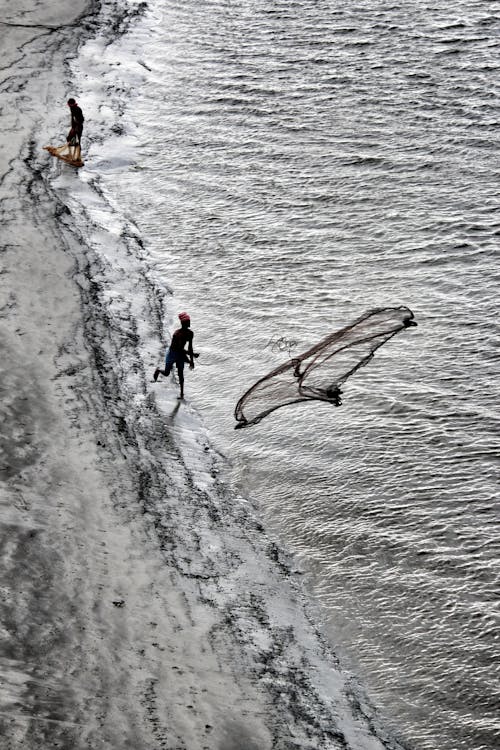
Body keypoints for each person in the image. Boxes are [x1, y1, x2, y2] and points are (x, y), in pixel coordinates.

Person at [153, 312, 196, 399]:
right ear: (183, 323)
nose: (189, 322)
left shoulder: (190, 333)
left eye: (189, 321)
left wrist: (192, 360)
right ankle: (158, 370)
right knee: (166, 373)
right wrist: (191, 357)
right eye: (188, 321)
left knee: (181, 374)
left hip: (180, 354)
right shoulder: (177, 334)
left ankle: (181, 394)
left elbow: (190, 347)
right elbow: (179, 349)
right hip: (173, 353)